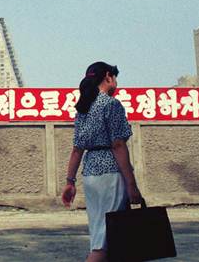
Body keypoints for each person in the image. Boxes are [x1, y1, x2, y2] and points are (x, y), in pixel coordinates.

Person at [61, 61, 142, 262]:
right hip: (110, 175)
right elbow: (118, 145)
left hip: (90, 175)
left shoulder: (83, 108)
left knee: (105, 235)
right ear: (108, 76)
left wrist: (70, 182)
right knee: (103, 242)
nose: (116, 82)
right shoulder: (111, 104)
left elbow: (77, 149)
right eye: (115, 78)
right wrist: (132, 184)